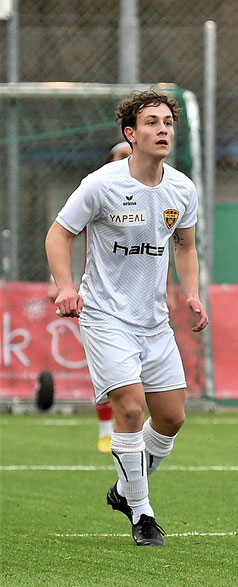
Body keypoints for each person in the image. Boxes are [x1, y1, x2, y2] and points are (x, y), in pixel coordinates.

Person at [45, 90, 208, 546]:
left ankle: (124, 487)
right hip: (105, 315)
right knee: (131, 409)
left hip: (154, 321)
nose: (163, 130)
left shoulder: (182, 188)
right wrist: (65, 287)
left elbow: (185, 245)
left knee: (172, 418)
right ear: (130, 134)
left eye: (168, 123)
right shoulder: (101, 184)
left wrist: (191, 294)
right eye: (152, 122)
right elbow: (59, 235)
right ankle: (142, 513)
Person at [45, 141, 134, 453]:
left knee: (141, 381)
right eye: (121, 156)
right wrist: (59, 283)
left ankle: (133, 436)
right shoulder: (99, 194)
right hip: (101, 301)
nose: (128, 159)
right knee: (110, 372)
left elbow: (163, 249)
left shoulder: (156, 193)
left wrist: (170, 290)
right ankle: (106, 432)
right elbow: (64, 235)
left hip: (143, 304)